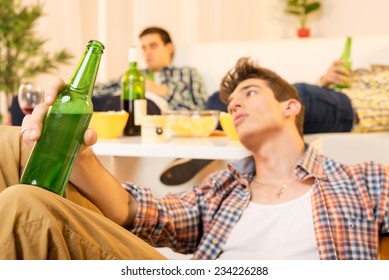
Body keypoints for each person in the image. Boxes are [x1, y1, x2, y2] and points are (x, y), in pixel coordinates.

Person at [1, 57, 389, 260]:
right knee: (14, 143)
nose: (234, 102)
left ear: (291, 106)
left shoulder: (366, 179)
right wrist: (77, 152)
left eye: (250, 93)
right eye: (231, 100)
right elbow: (134, 213)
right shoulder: (221, 188)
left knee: (21, 203)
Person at [164, 59, 389, 185]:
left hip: (346, 108)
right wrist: (328, 79)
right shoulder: (376, 71)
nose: (236, 104)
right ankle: (202, 137)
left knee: (276, 99)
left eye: (250, 93)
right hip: (324, 96)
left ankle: (200, 142)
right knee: (221, 97)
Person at [93, 26, 209, 112]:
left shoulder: (187, 73)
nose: (147, 52)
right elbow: (98, 90)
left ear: (169, 48)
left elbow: (201, 111)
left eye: (153, 46)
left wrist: (164, 91)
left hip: (151, 109)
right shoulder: (134, 74)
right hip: (117, 105)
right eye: (144, 48)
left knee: (134, 105)